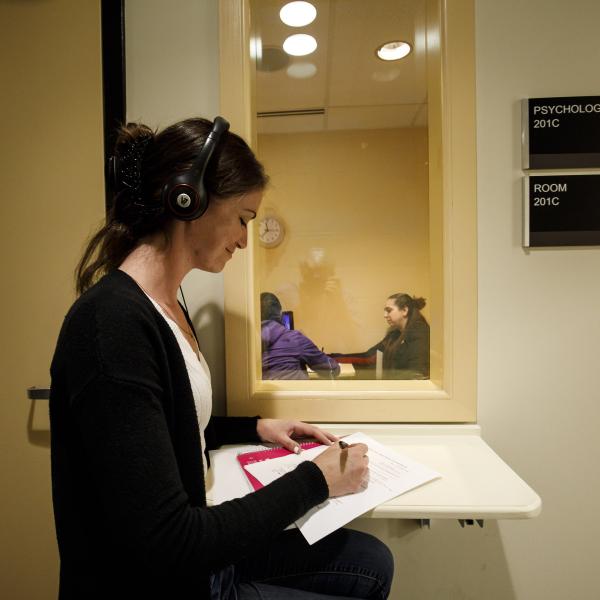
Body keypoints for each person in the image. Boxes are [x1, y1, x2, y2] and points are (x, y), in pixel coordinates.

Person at [49, 117, 393, 600]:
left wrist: (253, 428)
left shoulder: (166, 304)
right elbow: (171, 540)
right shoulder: (112, 327)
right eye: (243, 219)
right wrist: (316, 481)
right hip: (164, 579)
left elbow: (161, 433)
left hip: (195, 565)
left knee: (372, 562)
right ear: (189, 200)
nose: (244, 240)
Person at [333, 293, 430, 380]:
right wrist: (330, 358)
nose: (385, 315)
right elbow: (369, 357)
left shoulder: (420, 334)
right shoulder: (395, 334)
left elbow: (417, 375)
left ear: (404, 310)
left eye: (389, 310)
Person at [261, 292, 340, 380]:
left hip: (262, 393)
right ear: (280, 314)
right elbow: (332, 369)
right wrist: (305, 343)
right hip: (293, 393)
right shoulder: (295, 339)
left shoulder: (248, 344)